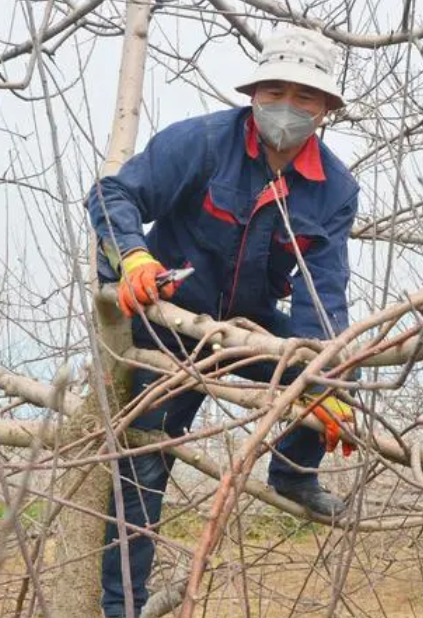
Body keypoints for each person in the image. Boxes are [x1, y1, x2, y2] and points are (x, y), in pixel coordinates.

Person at [87, 27, 359, 618]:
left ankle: (293, 473)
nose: (287, 106)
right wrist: (132, 256)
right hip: (170, 323)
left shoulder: (335, 189)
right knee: (145, 460)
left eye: (304, 96)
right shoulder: (204, 143)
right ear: (254, 93)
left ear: (325, 109)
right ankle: (121, 607)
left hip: (247, 326)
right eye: (275, 91)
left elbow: (323, 291)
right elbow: (112, 195)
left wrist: (318, 379)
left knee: (340, 371)